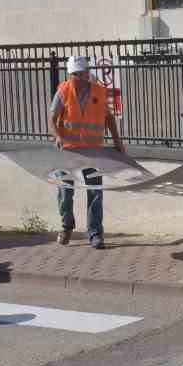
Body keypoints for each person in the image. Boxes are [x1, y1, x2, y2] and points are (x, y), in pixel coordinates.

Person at [49, 55, 124, 250]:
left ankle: (95, 234)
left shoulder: (99, 91)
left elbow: (109, 119)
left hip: (93, 151)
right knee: (65, 191)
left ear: (86, 73)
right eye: (75, 75)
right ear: (70, 75)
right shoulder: (63, 91)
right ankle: (66, 226)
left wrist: (118, 143)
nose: (79, 78)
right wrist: (58, 136)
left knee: (95, 192)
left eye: (81, 74)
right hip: (67, 151)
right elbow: (52, 118)